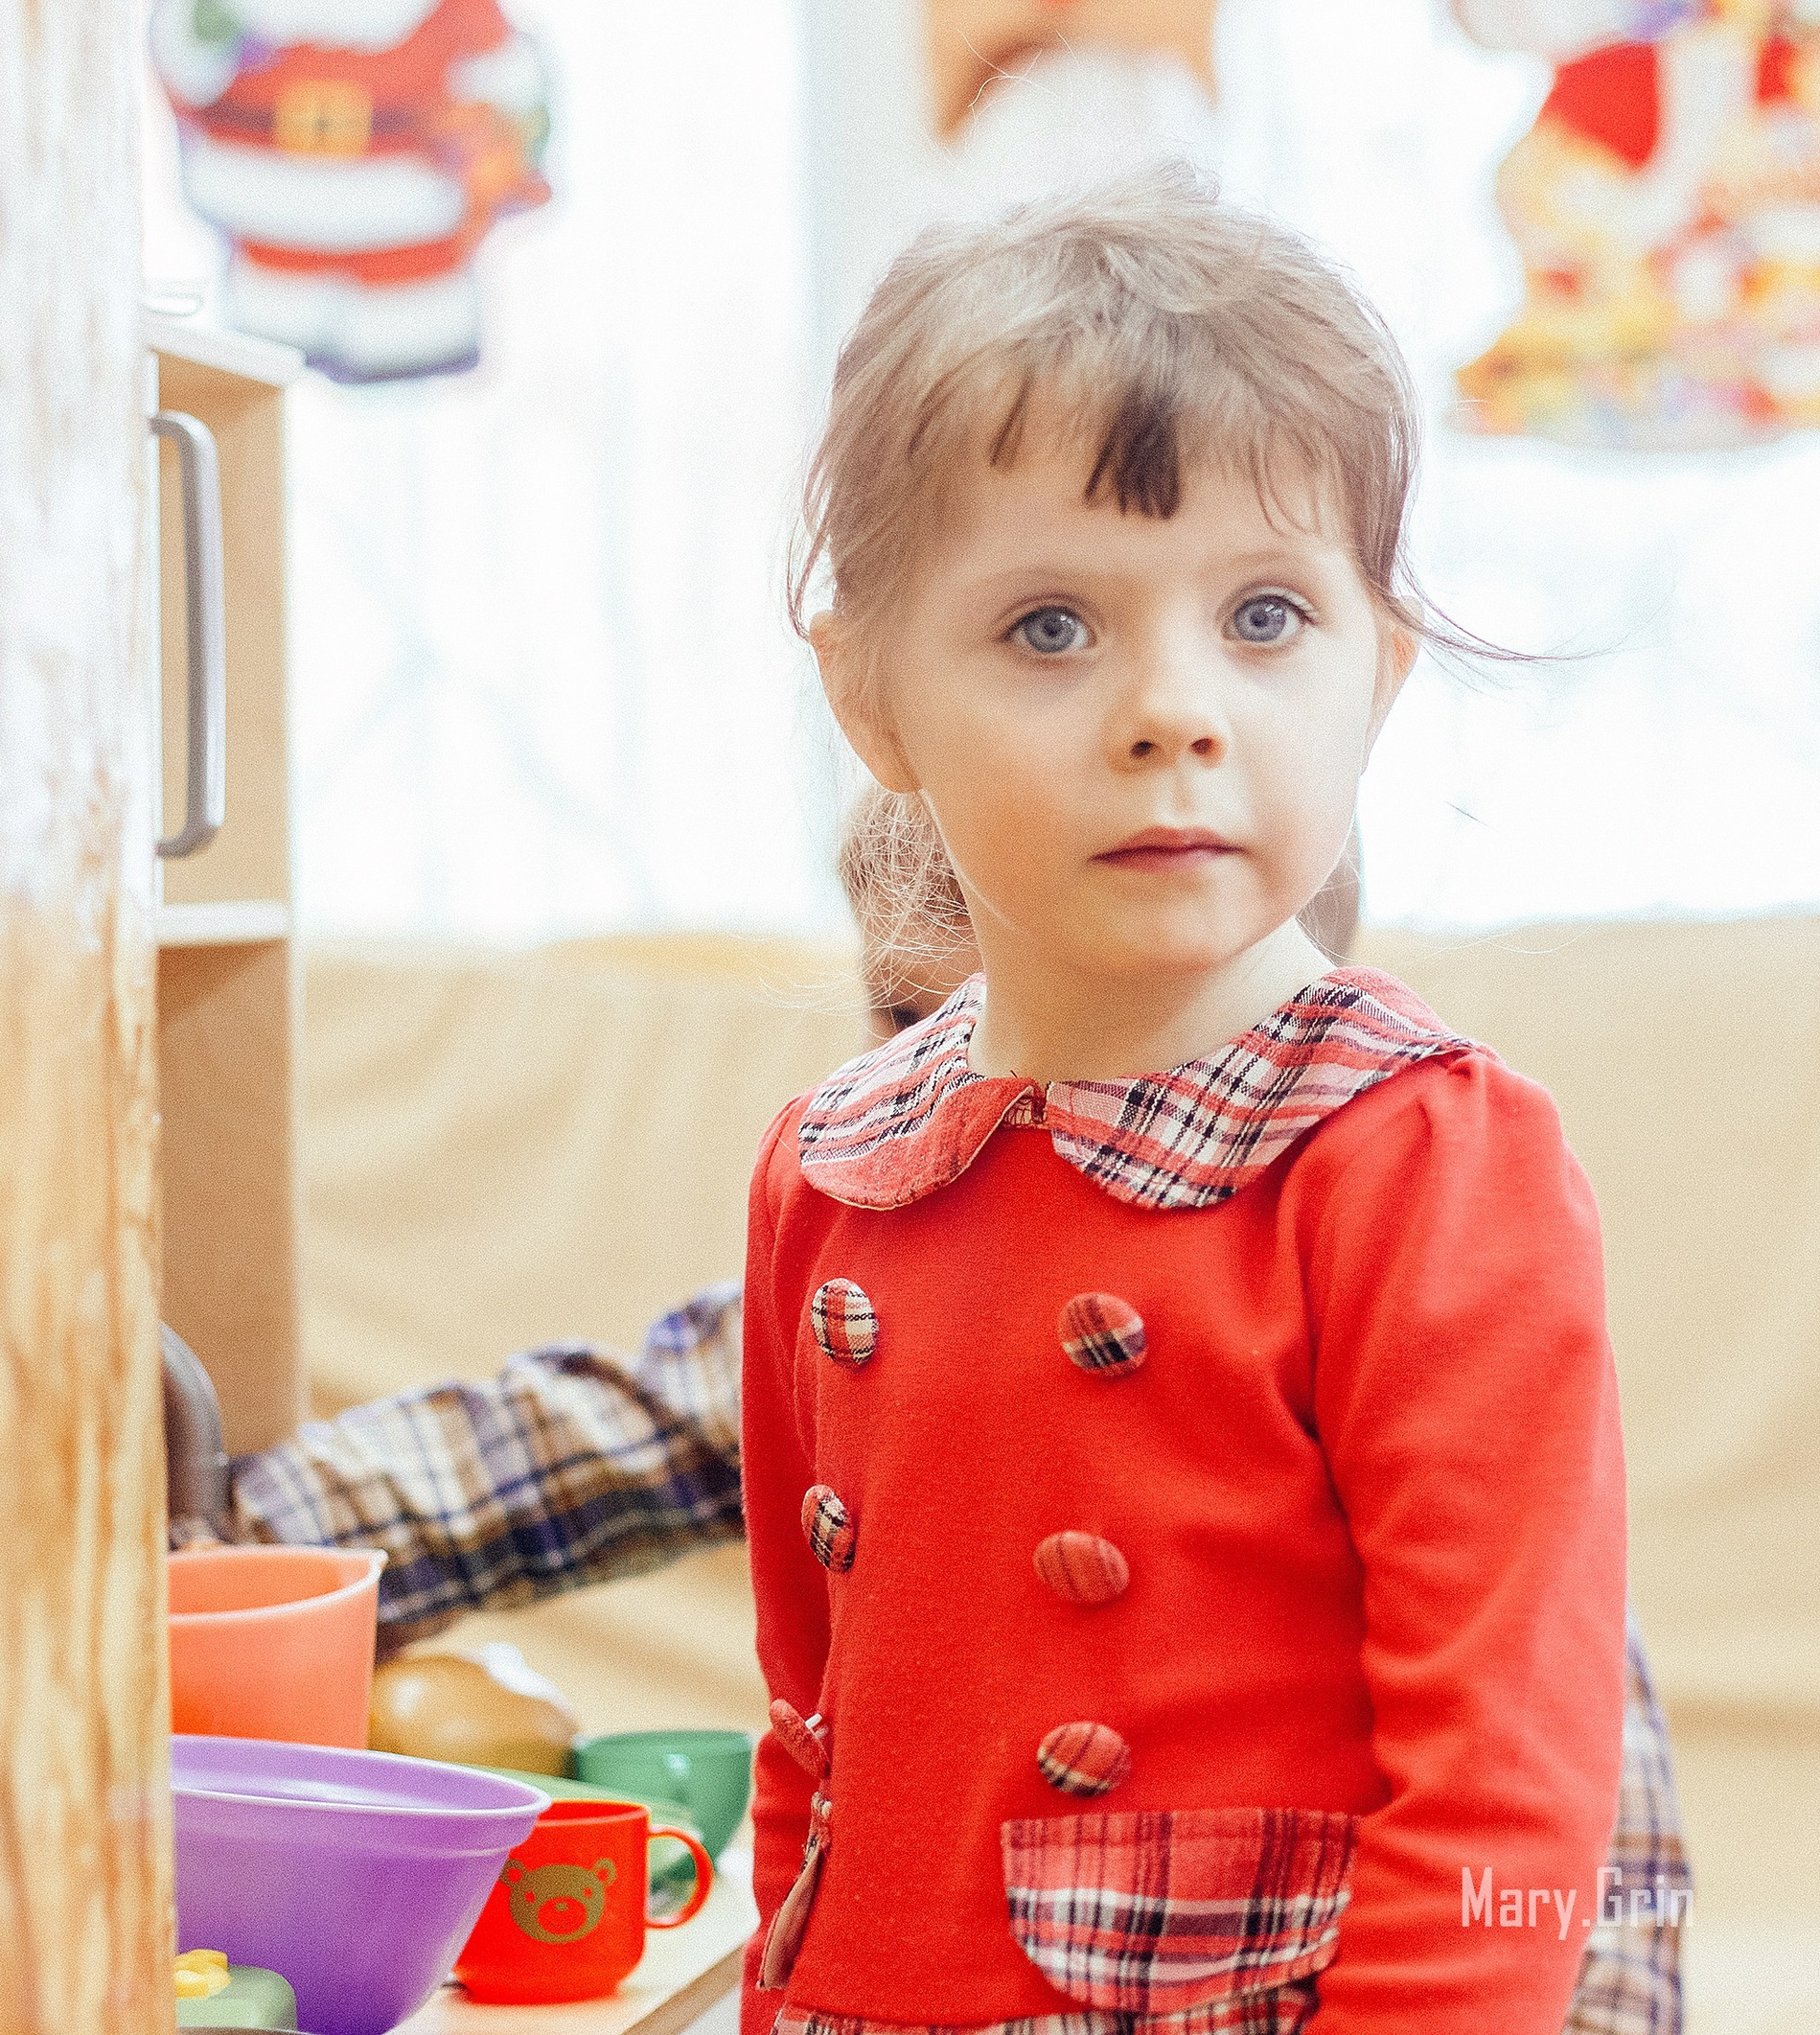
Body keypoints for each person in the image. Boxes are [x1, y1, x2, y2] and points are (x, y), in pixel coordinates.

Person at [231, 781, 1689, 2034]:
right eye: (922, 1020)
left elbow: (1549, 1804)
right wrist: (236, 1541)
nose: (992, 1103)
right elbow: (585, 1436)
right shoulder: (867, 1221)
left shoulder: (1390, 1224)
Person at [731, 162, 1660, 2035]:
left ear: (1380, 671)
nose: (1174, 710)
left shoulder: (1425, 1159)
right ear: (868, 696)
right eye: (1050, 627)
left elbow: (1510, 1804)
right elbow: (810, 1729)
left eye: (1264, 615)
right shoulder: (829, 1171)